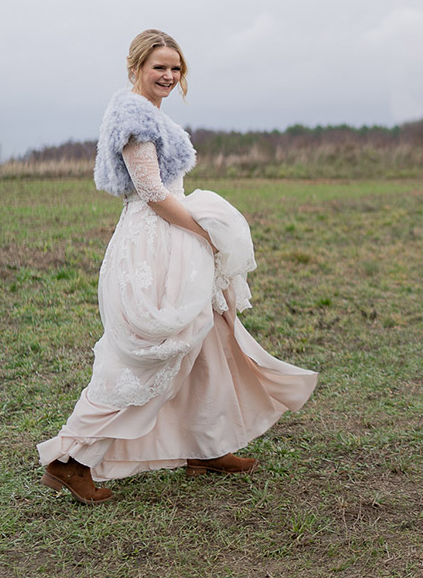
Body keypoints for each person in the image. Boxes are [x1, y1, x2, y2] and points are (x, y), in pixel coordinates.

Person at [37, 29, 318, 504]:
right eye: (159, 68)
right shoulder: (133, 118)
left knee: (209, 338)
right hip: (156, 241)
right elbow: (153, 194)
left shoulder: (150, 114)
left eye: (175, 68)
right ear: (136, 69)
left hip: (172, 236)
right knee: (151, 354)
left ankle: (204, 445)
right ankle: (70, 459)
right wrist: (205, 231)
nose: (168, 76)